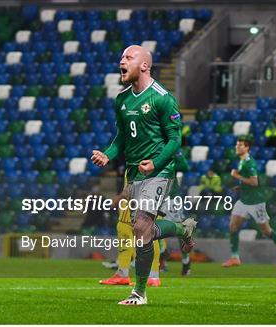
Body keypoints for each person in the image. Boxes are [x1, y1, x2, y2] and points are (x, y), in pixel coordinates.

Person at [91, 45, 196, 305]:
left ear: (145, 65)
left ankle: (139, 293)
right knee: (144, 232)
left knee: (139, 227)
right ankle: (183, 229)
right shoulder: (122, 99)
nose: (121, 61)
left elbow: (174, 140)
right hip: (134, 173)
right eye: (121, 57)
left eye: (128, 57)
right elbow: (122, 138)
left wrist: (156, 162)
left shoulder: (162, 97)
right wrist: (108, 154)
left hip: (160, 171)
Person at [222, 135, 276, 268]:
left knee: (266, 231)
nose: (237, 147)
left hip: (255, 203)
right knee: (233, 226)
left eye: (240, 145)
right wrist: (241, 186)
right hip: (244, 200)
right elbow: (249, 181)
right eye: (237, 145)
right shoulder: (242, 161)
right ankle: (235, 257)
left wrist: (237, 176)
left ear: (247, 147)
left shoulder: (249, 162)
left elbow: (254, 182)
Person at [99, 172, 161, 287]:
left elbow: (131, 187)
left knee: (124, 227)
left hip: (137, 203)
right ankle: (152, 276)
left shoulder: (138, 158)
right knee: (150, 234)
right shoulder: (156, 160)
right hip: (153, 200)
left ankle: (125, 274)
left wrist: (117, 199)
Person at [159, 151, 194, 276]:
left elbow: (184, 167)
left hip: (172, 200)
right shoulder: (152, 154)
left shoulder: (170, 159)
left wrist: (176, 151)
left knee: (180, 230)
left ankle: (186, 262)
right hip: (157, 199)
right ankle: (162, 256)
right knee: (153, 228)